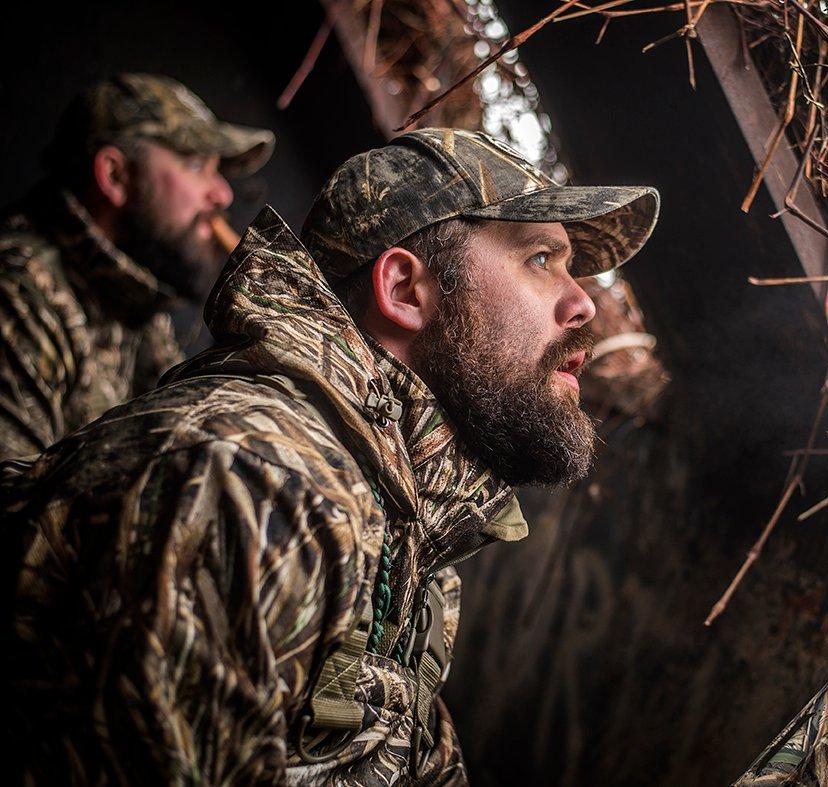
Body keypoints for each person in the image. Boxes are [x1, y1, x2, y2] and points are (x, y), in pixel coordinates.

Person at [3, 128, 659, 785]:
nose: (583, 305)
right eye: (541, 258)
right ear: (404, 289)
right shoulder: (248, 480)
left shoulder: (408, 529)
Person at [0, 72, 274, 458]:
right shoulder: (17, 295)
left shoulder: (135, 297)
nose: (222, 193)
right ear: (115, 175)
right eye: (196, 165)